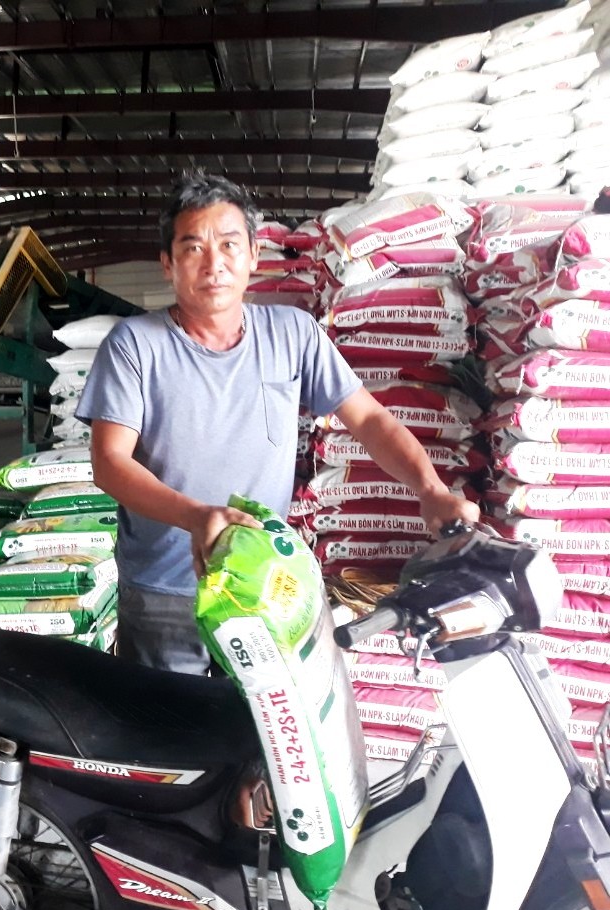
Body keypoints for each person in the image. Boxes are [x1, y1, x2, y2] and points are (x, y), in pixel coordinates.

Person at [76, 171, 480, 675]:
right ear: (168, 264)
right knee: (169, 721)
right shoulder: (135, 345)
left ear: (253, 255)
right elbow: (110, 463)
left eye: (229, 244)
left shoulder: (293, 333)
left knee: (268, 722)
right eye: (193, 247)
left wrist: (430, 489)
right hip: (166, 594)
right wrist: (197, 517)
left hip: (263, 579)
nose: (214, 263)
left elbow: (370, 419)